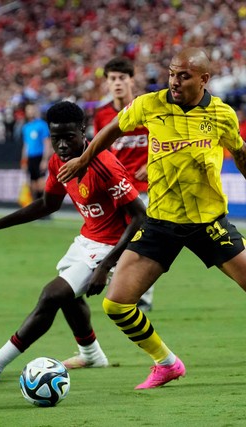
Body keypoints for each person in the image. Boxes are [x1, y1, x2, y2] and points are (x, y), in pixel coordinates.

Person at [58, 47, 246, 389]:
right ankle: (166, 363)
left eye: (183, 76)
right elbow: (114, 127)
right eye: (172, 73)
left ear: (204, 79)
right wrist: (85, 159)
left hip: (209, 222)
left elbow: (244, 156)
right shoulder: (150, 104)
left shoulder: (221, 115)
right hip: (160, 222)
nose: (174, 81)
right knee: (116, 305)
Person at [0, 101, 146, 383]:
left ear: (83, 131)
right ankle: (91, 354)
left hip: (110, 246)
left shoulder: (104, 164)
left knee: (52, 295)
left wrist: (106, 265)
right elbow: (48, 204)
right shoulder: (58, 160)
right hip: (87, 240)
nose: (61, 145)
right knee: (68, 296)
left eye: (68, 137)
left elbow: (139, 217)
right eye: (55, 138)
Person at [94, 56, 155, 312]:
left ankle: (142, 297)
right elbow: (100, 150)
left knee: (142, 241)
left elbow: (162, 142)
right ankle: (119, 289)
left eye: (122, 78)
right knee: (113, 241)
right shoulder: (103, 115)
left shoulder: (147, 108)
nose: (117, 83)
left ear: (132, 80)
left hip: (144, 189)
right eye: (112, 79)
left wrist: (151, 165)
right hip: (115, 189)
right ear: (107, 83)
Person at [21, 104, 52, 200]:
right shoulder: (25, 127)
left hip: (40, 156)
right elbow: (26, 145)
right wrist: (23, 161)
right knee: (33, 184)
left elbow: (47, 142)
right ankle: (36, 208)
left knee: (41, 184)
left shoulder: (42, 124)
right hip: (31, 157)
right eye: (28, 110)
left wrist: (45, 159)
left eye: (32, 109)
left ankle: (45, 208)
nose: (30, 111)